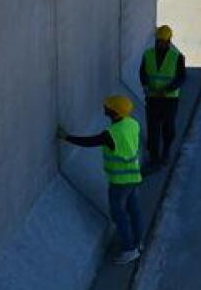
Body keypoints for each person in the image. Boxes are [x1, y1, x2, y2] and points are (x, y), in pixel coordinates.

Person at [57, 95, 144, 264]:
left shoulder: (111, 134)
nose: (105, 108)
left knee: (119, 214)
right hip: (134, 176)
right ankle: (138, 242)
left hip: (120, 182)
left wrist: (66, 137)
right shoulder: (132, 123)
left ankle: (129, 249)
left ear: (115, 112)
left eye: (108, 107)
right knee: (134, 211)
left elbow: (90, 142)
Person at [139, 25, 185, 168]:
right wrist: (146, 86)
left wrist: (168, 89)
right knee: (153, 128)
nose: (160, 44)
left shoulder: (177, 57)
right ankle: (154, 157)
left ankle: (165, 152)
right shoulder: (148, 54)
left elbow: (181, 77)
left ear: (169, 41)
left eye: (163, 41)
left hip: (169, 99)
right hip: (153, 98)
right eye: (158, 41)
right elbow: (143, 73)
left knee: (168, 127)